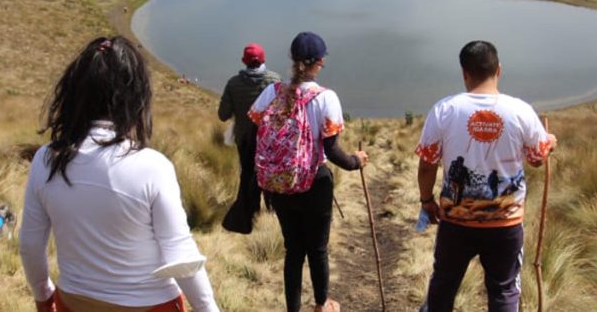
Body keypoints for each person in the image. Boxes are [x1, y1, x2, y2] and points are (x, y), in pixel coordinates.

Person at [19, 36, 219, 312]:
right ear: (135, 97)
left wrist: (43, 295)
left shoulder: (46, 160)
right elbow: (181, 255)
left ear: (75, 92)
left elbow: (30, 243)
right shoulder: (152, 166)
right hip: (150, 305)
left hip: (73, 301)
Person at [415, 40, 558, 312]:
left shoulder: (444, 109)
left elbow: (426, 165)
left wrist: (426, 201)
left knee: (444, 283)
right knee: (504, 289)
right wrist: (549, 142)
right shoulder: (520, 110)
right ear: (499, 70)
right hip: (505, 224)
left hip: (455, 222)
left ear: (464, 73)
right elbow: (538, 160)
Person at [248, 31, 369, 312]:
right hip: (314, 182)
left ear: (293, 60)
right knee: (317, 249)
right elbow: (332, 148)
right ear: (318, 62)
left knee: (293, 251)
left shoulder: (272, 92)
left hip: (278, 183)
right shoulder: (326, 98)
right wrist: (356, 161)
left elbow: (254, 132)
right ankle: (321, 304)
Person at [218, 42, 281, 234]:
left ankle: (249, 215)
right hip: (269, 140)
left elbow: (223, 114)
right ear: (263, 59)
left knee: (247, 175)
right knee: (270, 176)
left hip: (244, 139)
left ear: (244, 61)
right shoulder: (275, 80)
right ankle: (272, 213)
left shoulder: (233, 83)